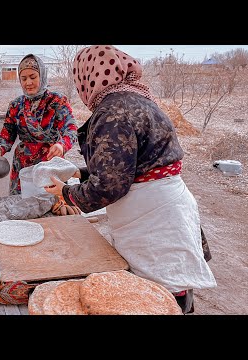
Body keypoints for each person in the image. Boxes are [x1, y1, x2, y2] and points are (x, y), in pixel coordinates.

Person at [44, 45, 216, 314]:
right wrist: (80, 172)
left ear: (88, 76)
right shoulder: (139, 99)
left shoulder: (112, 112)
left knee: (155, 295)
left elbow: (111, 185)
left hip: (151, 216)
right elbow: (133, 163)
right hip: (165, 204)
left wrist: (67, 192)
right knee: (172, 284)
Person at [0, 54, 78, 195]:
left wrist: (61, 145)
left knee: (52, 207)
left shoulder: (57, 101)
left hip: (50, 162)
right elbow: (8, 134)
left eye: (32, 77)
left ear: (41, 76)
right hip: (23, 164)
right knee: (22, 207)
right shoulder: (16, 105)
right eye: (23, 79)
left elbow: (71, 129)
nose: (28, 82)